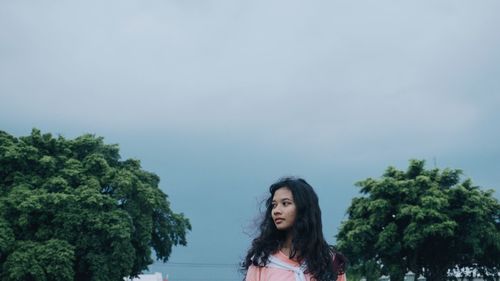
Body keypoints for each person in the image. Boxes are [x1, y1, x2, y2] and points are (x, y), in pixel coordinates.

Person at [242, 177, 347, 281]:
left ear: (303, 208)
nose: (276, 211)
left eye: (285, 203)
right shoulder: (262, 261)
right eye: (274, 205)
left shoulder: (330, 261)